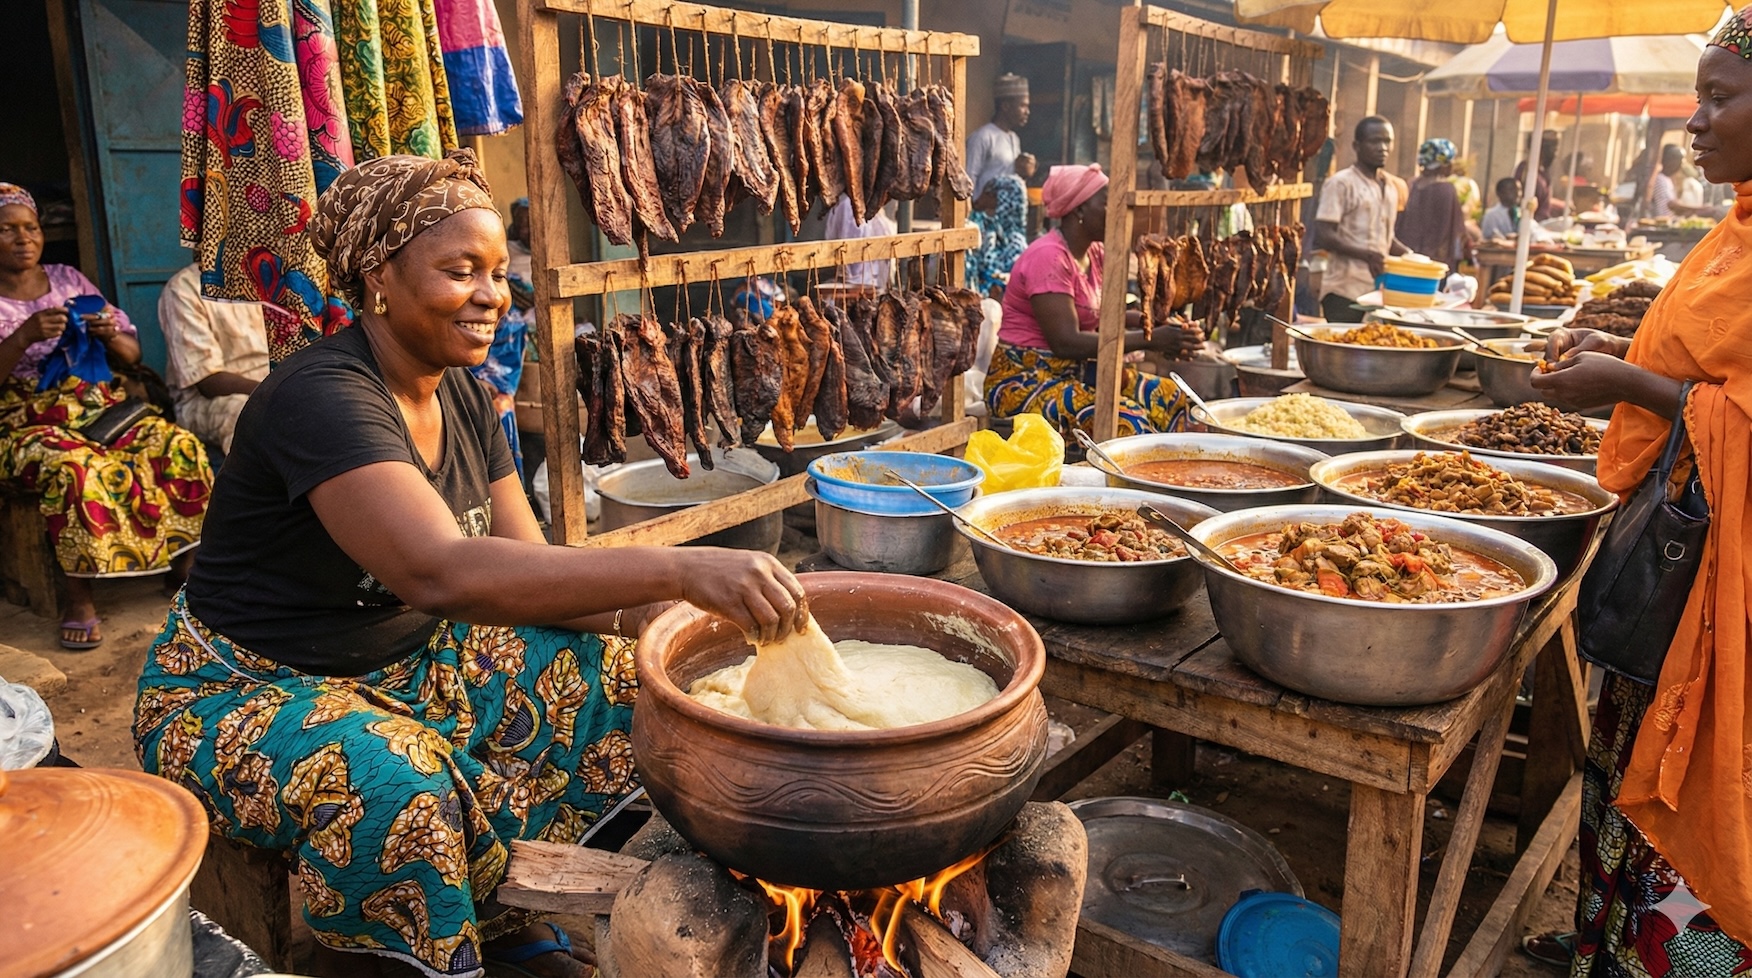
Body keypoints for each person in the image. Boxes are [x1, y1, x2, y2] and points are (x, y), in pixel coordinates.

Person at [132, 150, 807, 978]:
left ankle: (506, 912)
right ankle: (405, 960)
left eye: (494, 272)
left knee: (628, 681)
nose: (492, 294)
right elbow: (439, 572)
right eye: (461, 272)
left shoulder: (461, 391)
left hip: (414, 662)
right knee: (395, 782)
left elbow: (525, 570)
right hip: (244, 691)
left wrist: (657, 620)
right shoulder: (324, 397)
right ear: (380, 276)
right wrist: (677, 571)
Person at [1521, 16, 1752, 974]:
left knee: (1692, 782)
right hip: (1673, 559)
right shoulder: (1735, 229)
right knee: (1620, 765)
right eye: (1697, 95)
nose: (1693, 121)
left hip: (1728, 596)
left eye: (1719, 97)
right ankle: (1602, 945)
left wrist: (1626, 384)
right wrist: (1622, 354)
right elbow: (1707, 364)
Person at [0, 183, 211, 650]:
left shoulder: (68, 279)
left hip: (96, 408)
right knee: (76, 468)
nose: (24, 238)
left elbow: (131, 355)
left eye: (30, 227)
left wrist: (107, 333)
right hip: (20, 422)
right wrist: (22, 337)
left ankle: (186, 567)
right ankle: (80, 598)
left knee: (176, 444)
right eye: (7, 230)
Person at [983, 163, 1202, 436]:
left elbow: (1100, 315)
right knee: (1127, 420)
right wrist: (1151, 340)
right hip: (1024, 381)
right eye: (1107, 202)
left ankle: (1173, 464)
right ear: (1079, 210)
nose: (1116, 210)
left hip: (1076, 373)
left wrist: (1151, 323)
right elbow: (1065, 341)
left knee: (1171, 396)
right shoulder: (1048, 257)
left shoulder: (1095, 252)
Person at [157, 263, 269, 454]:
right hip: (207, 400)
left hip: (270, 387)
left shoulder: (265, 278)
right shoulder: (184, 287)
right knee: (249, 414)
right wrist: (274, 392)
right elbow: (208, 382)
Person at [1314, 116, 1407, 323]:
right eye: (1375, 141)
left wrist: (1410, 257)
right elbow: (1324, 234)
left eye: (1387, 141)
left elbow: (1385, 237)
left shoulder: (1391, 187)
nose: (1382, 148)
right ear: (1357, 146)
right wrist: (1366, 255)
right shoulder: (1341, 184)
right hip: (1344, 291)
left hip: (1378, 292)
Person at [1397, 139, 1469, 269]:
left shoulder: (1410, 185)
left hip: (1406, 256)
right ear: (1443, 165)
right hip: (1434, 262)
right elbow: (1454, 229)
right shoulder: (1446, 189)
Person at [966, 74, 1029, 205]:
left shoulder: (1014, 139)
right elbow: (968, 181)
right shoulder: (982, 137)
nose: (1027, 112)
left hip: (1006, 213)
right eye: (1022, 106)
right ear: (1005, 106)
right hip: (984, 214)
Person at [967, 167, 1028, 299]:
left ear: (1001, 198)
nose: (979, 199)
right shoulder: (984, 225)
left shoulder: (1016, 245)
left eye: (986, 194)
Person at [1515, 131, 1566, 221]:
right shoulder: (1526, 171)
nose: (1555, 155)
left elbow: (1544, 200)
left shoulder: (1543, 171)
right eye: (1553, 150)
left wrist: (1561, 205)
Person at [1649, 144, 1708, 219]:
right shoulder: (1660, 179)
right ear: (1671, 161)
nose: (1680, 165)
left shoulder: (1668, 179)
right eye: (1678, 161)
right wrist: (1700, 209)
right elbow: (1671, 205)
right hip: (1662, 222)